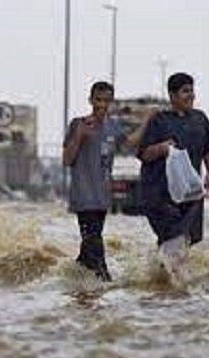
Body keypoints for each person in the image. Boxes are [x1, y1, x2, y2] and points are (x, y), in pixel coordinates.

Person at [63, 81, 153, 282]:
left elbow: (130, 143)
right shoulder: (78, 124)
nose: (102, 105)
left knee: (89, 248)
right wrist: (79, 137)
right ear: (90, 100)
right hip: (83, 197)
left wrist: (146, 121)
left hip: (103, 198)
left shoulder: (113, 127)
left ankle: (75, 284)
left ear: (111, 103)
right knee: (94, 243)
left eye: (106, 100)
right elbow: (67, 159)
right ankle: (104, 283)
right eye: (98, 99)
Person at [137, 72, 209, 266]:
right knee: (173, 238)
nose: (191, 95)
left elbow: (208, 148)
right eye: (185, 91)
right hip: (160, 195)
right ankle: (167, 283)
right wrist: (162, 148)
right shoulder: (159, 121)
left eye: (192, 91)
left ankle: (163, 283)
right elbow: (144, 154)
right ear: (172, 96)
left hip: (190, 194)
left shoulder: (200, 119)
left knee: (184, 241)